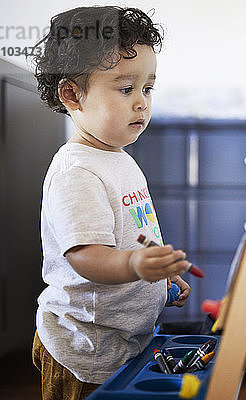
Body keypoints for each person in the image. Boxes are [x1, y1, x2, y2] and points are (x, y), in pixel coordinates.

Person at [29, 6, 191, 399]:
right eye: (125, 89)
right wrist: (137, 265)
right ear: (72, 94)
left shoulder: (120, 159)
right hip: (84, 349)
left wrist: (159, 269)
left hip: (124, 341)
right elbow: (86, 255)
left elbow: (134, 230)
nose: (141, 103)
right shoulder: (77, 171)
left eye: (147, 88)